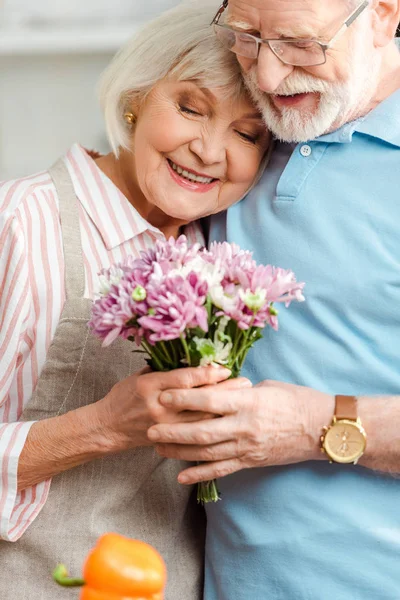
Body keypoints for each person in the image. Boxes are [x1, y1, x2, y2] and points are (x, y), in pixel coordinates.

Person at [0, 2, 270, 598]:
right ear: (136, 98)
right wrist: (102, 426)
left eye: (246, 133)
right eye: (189, 107)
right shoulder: (22, 220)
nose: (207, 150)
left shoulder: (223, 260)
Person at [147, 1, 400, 598]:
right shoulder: (244, 137)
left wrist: (316, 425)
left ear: (385, 17)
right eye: (245, 36)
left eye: (299, 43)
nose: (265, 76)